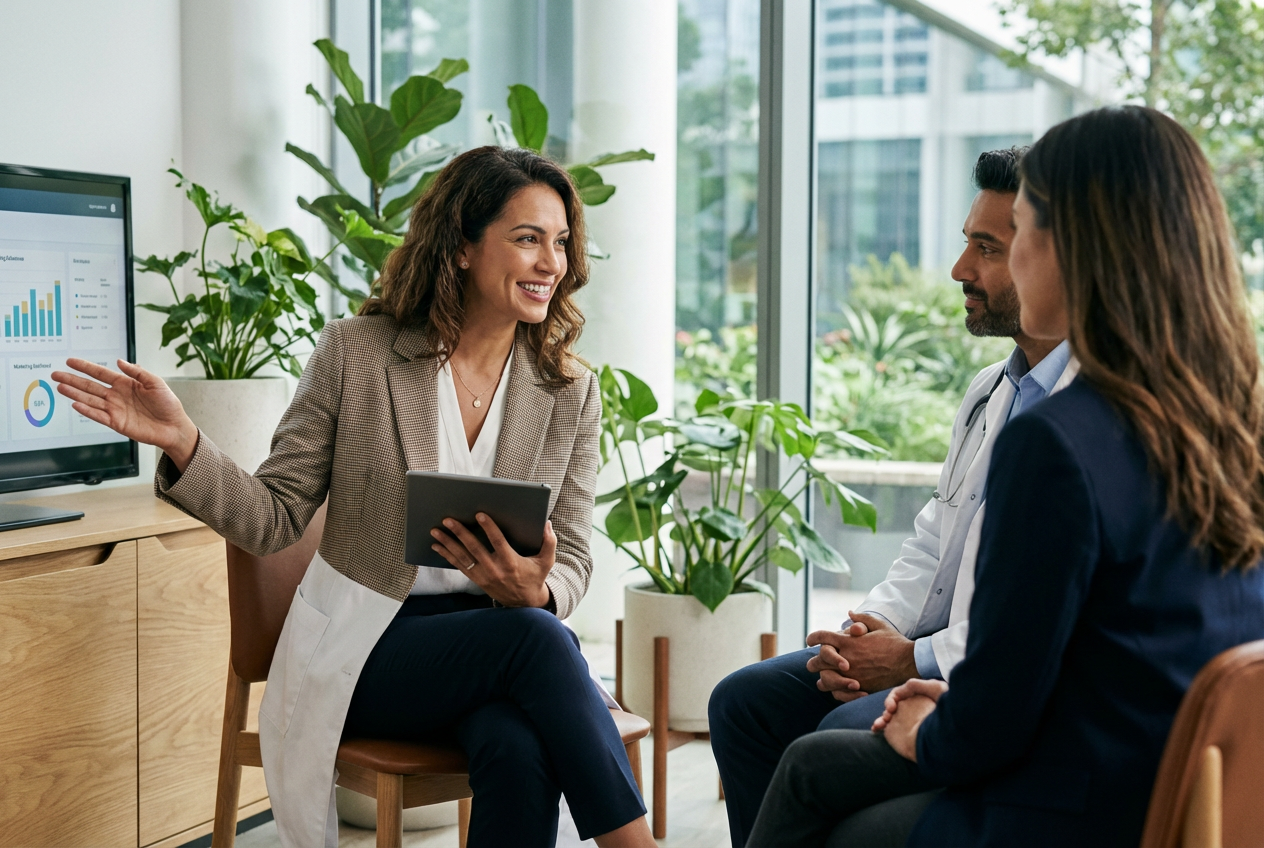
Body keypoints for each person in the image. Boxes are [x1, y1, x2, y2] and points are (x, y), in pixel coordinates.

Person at [51, 147, 655, 848]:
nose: (551, 262)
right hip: (369, 644)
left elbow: (574, 550)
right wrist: (185, 442)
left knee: (518, 744)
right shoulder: (358, 354)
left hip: (498, 638)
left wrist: (540, 591)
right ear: (462, 247)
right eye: (527, 239)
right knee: (537, 642)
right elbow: (271, 519)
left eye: (560, 243)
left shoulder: (568, 390)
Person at [745, 105, 1264, 848]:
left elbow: (990, 723)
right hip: (1194, 791)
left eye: (1020, 232)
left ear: (1078, 248)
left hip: (1080, 805)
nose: (1001, 262)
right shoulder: (1233, 420)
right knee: (814, 758)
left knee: (825, 789)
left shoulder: (1061, 440)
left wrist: (927, 719)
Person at [709, 147, 1076, 847]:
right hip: (930, 650)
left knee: (829, 740)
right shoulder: (989, 394)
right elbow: (935, 539)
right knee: (744, 703)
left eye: (988, 248)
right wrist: (871, 626)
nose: (959, 269)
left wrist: (913, 661)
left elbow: (1043, 621)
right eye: (968, 243)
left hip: (978, 676)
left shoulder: (1087, 420)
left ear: (1050, 257)